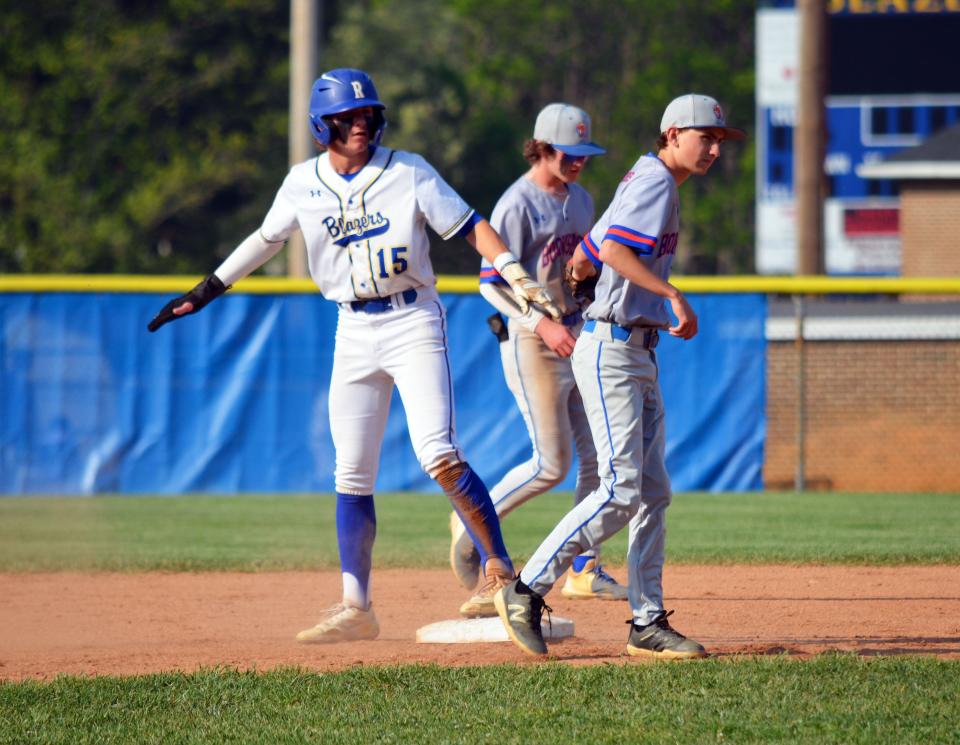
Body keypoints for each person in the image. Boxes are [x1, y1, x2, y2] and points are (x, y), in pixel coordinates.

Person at [147, 68, 560, 643]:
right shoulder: (301, 183)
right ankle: (356, 606)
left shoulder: (408, 170)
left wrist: (514, 272)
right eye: (348, 117)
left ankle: (500, 574)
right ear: (323, 126)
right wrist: (205, 290)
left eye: (367, 115)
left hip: (413, 318)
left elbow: (471, 227)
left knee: (437, 453)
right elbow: (265, 240)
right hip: (352, 327)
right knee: (351, 471)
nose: (361, 124)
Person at [494, 93, 746, 658]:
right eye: (704, 137)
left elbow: (588, 251)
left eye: (719, 141)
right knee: (621, 486)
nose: (713, 149)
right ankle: (526, 589)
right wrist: (671, 293)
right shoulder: (655, 182)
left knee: (653, 492)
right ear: (673, 133)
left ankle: (647, 621)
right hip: (613, 350)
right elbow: (613, 250)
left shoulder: (645, 176)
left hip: (635, 350)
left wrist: (583, 270)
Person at [450, 103, 628, 619]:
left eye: (583, 154)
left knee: (599, 464)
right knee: (552, 464)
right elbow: (489, 284)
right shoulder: (518, 203)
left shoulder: (582, 200)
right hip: (532, 341)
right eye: (568, 154)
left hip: (575, 337)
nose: (578, 163)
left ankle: (583, 567)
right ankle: (469, 520)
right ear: (542, 148)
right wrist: (541, 325)